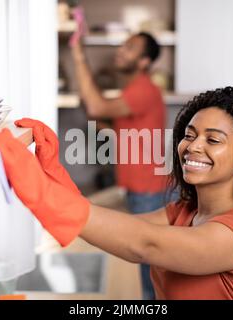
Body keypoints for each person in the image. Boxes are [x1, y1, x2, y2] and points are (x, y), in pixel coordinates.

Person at [0, 86, 233, 299]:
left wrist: (27, 174)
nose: (193, 146)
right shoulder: (185, 212)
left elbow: (144, 245)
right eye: (190, 135)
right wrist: (49, 168)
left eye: (213, 140)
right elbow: (114, 230)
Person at [70, 32, 167, 299]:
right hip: (144, 189)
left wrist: (78, 55)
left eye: (131, 48)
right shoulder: (133, 91)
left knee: (150, 269)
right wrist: (93, 107)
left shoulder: (143, 90)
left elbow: (98, 107)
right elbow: (110, 124)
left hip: (150, 191)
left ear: (144, 62)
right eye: (124, 45)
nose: (122, 50)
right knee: (150, 267)